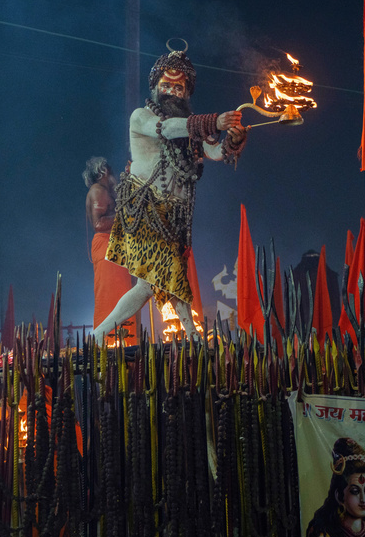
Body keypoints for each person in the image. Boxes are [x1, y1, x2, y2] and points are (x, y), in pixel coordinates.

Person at [92, 43, 248, 342]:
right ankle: (102, 334)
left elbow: (213, 152)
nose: (173, 92)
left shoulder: (188, 132)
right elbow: (166, 128)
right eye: (166, 85)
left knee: (171, 280)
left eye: (179, 88)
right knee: (153, 285)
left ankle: (190, 335)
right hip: (145, 208)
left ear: (187, 92)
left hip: (173, 216)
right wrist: (213, 122)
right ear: (155, 88)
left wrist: (233, 140)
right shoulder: (142, 117)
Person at [84, 157, 138, 343]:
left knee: (124, 296)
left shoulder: (105, 191)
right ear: (103, 171)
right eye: (110, 169)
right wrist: (124, 215)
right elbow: (98, 223)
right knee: (110, 298)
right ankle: (108, 345)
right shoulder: (97, 190)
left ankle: (126, 344)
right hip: (107, 247)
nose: (112, 172)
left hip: (116, 248)